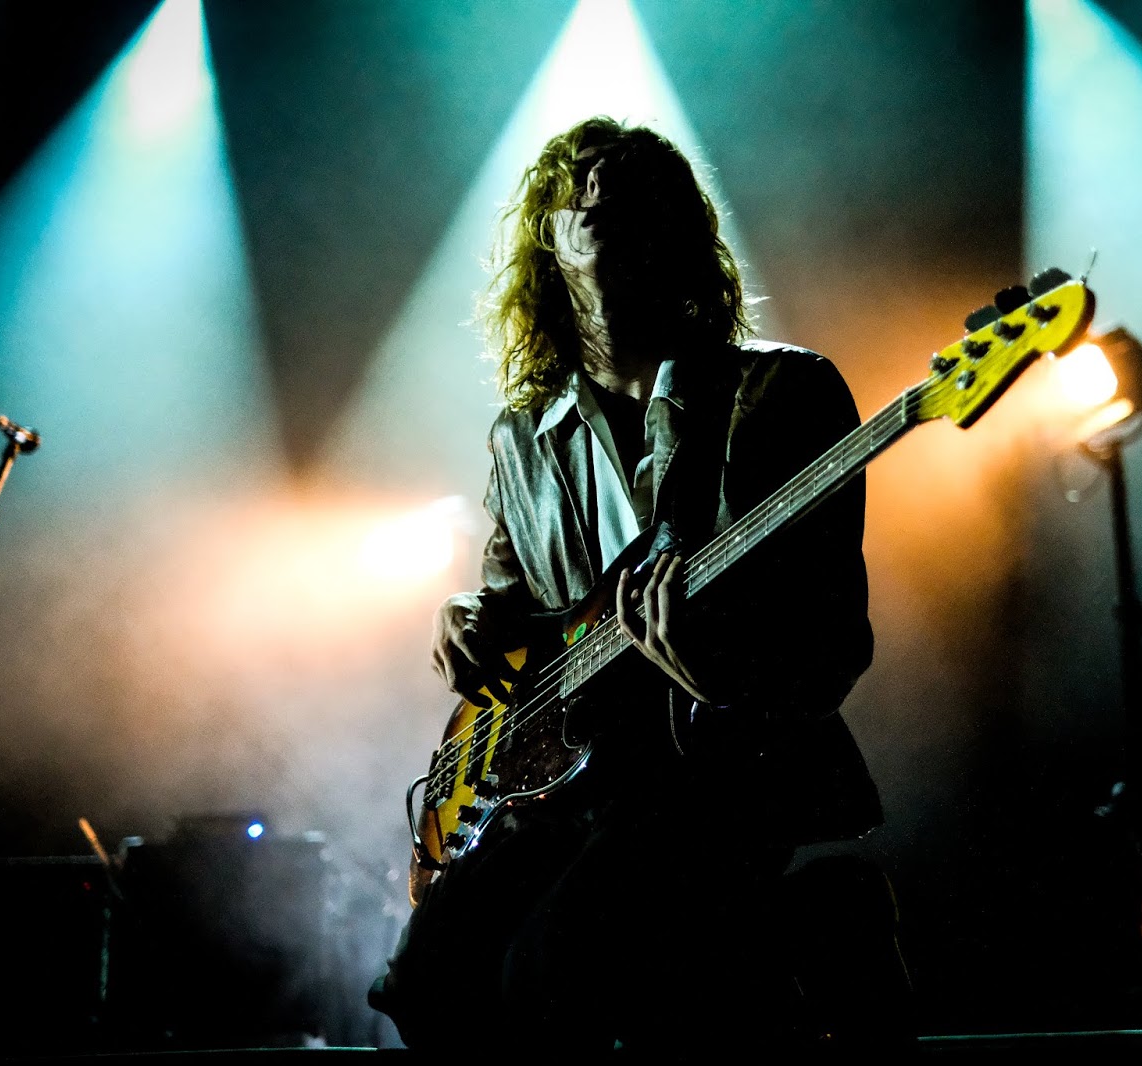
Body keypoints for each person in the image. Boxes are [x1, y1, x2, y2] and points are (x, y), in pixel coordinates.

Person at [369, 116, 884, 1054]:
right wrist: (466, 615)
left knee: (555, 970)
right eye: (579, 182)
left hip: (721, 769)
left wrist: (716, 674)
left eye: (634, 184)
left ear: (674, 232)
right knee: (425, 982)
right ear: (548, 241)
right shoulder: (523, 436)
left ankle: (801, 934)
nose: (601, 185)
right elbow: (515, 606)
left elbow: (834, 643)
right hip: (572, 776)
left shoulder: (780, 395)